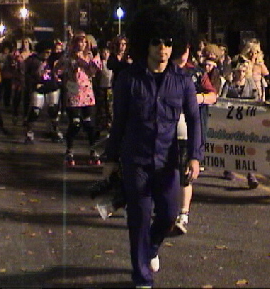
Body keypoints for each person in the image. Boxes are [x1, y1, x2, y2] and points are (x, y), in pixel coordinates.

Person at [103, 5, 202, 288]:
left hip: (167, 162)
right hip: (135, 160)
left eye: (168, 42)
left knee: (170, 215)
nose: (163, 48)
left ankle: (151, 248)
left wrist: (195, 156)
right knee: (139, 217)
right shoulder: (128, 80)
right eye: (156, 41)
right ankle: (141, 275)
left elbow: (195, 121)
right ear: (145, 43)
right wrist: (110, 160)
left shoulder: (182, 82)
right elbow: (118, 122)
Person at [173, 45, 217, 235]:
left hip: (186, 129)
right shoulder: (164, 71)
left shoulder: (197, 73)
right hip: (164, 130)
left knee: (185, 174)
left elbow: (212, 95)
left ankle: (183, 214)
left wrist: (196, 98)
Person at [55, 35, 101, 166]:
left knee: (89, 124)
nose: (82, 44)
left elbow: (94, 71)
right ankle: (69, 150)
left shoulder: (89, 56)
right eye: (79, 42)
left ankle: (93, 150)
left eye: (84, 42)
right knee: (75, 123)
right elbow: (56, 68)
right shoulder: (68, 57)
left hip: (87, 93)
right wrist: (59, 78)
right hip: (73, 92)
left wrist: (93, 56)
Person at [220, 59, 260, 188]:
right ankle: (229, 167)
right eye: (238, 71)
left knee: (248, 146)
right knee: (232, 145)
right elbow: (222, 99)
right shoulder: (229, 84)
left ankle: (250, 174)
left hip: (246, 119)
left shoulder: (250, 83)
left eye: (243, 71)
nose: (241, 74)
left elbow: (256, 98)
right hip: (232, 119)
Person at [24, 41, 63, 144]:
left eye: (50, 52)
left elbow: (63, 56)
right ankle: (29, 132)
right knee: (35, 110)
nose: (48, 54)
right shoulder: (32, 60)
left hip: (51, 86)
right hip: (39, 87)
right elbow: (26, 75)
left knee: (53, 110)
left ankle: (54, 130)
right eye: (46, 52)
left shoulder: (53, 59)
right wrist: (32, 84)